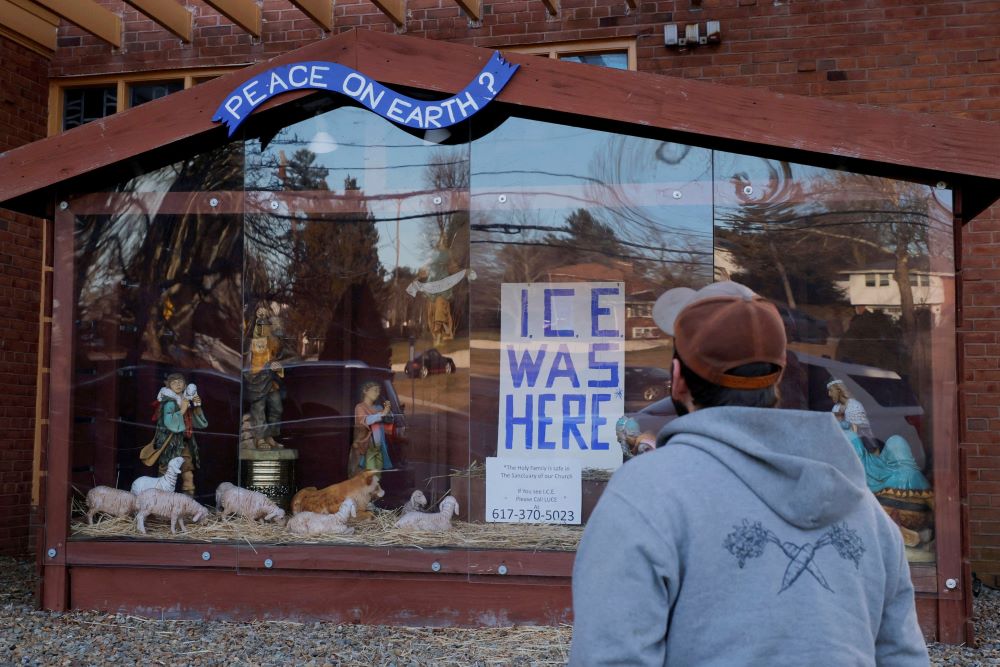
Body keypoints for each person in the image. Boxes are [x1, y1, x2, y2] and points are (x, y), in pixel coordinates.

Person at [570, 281, 927, 666]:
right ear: (778, 380)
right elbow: (903, 656)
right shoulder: (864, 509)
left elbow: (610, 657)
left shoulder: (646, 492)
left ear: (677, 379)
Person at [140, 372, 208, 496]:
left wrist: (197, 406)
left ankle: (188, 505)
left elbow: (201, 424)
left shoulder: (185, 400)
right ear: (168, 385)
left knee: (188, 475)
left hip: (184, 444)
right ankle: (161, 505)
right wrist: (183, 408)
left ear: (185, 385)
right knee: (165, 476)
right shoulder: (168, 403)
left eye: (180, 382)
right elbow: (170, 423)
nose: (178, 384)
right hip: (169, 446)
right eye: (174, 382)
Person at [349, 380, 393, 477]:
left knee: (377, 476)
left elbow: (389, 420)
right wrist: (382, 414)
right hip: (368, 448)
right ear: (365, 391)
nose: (377, 393)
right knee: (369, 475)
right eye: (375, 390)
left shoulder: (378, 407)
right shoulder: (360, 407)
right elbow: (364, 421)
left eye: (379, 391)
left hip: (379, 448)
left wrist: (388, 411)